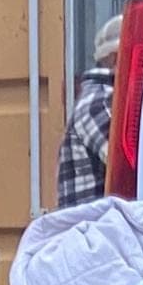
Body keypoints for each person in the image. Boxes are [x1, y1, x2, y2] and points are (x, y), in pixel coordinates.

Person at [55, 13, 122, 208]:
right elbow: (129, 167)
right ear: (117, 58)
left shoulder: (103, 97)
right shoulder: (98, 102)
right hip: (94, 232)